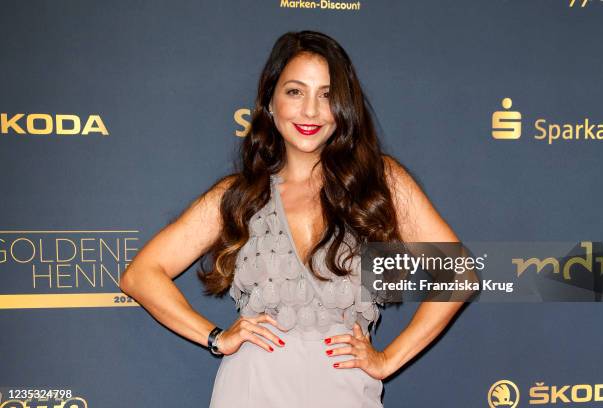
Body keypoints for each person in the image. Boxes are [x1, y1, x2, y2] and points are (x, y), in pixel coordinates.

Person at [120, 30, 466, 407]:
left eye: (327, 94)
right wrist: (216, 338)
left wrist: (388, 359)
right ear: (270, 101)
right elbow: (140, 274)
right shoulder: (239, 195)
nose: (311, 111)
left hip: (345, 394)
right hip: (250, 391)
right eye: (295, 91)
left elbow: (458, 272)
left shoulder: (379, 182)